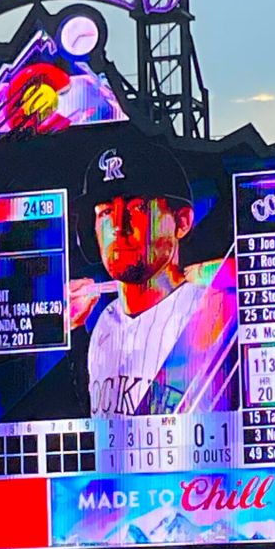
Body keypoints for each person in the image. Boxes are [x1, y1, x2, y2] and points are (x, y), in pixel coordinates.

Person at [70, 140, 232, 417]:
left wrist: (230, 275)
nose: (119, 227)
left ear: (181, 222)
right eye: (106, 212)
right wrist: (71, 330)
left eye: (137, 208)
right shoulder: (101, 325)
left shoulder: (211, 305)